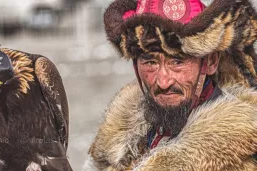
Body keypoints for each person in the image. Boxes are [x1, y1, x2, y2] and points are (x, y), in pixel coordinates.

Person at [85, 0, 257, 170]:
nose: (163, 82)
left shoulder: (243, 159)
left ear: (211, 62)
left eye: (177, 62)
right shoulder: (119, 142)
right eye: (150, 62)